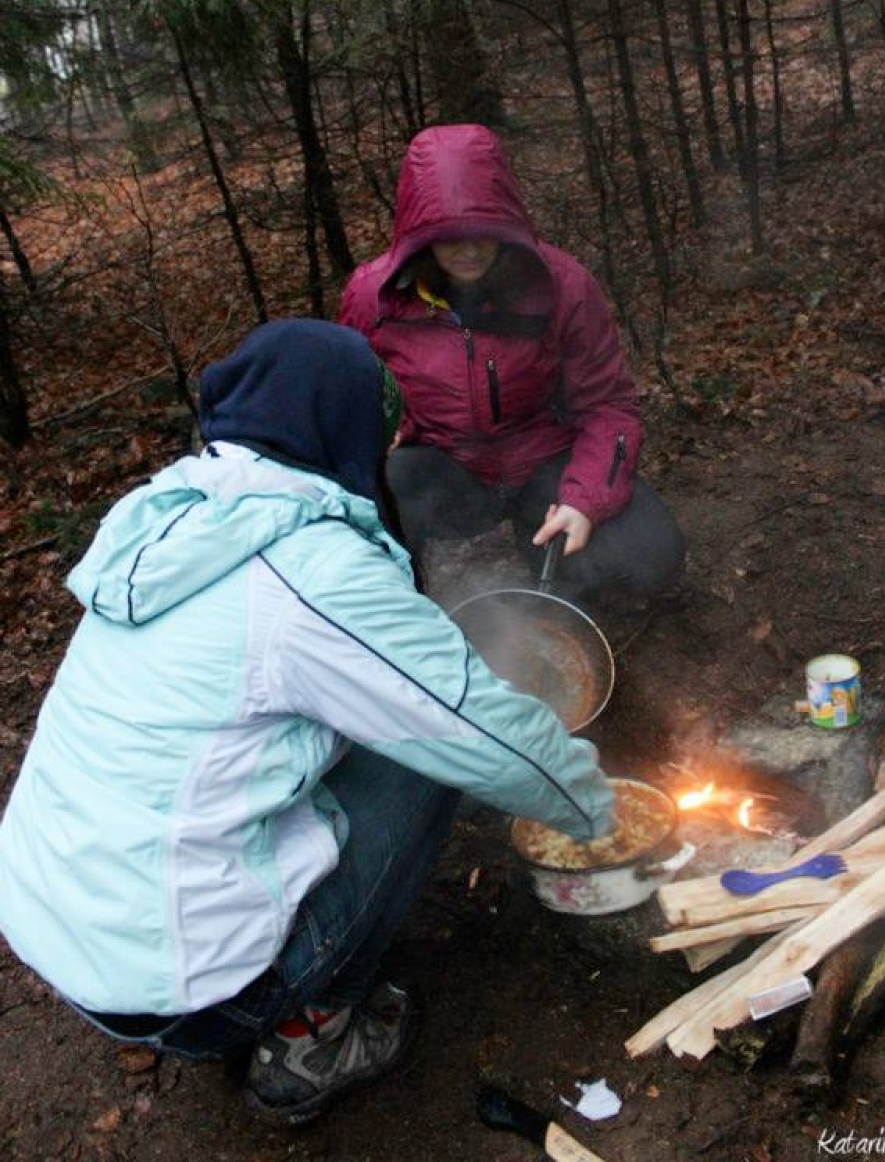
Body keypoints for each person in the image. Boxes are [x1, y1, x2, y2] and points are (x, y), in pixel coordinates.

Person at [0, 320, 614, 1128]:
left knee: (362, 723)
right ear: (341, 429)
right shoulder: (310, 570)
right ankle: (309, 1037)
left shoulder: (170, 523)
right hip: (179, 991)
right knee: (424, 761)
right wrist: (597, 810)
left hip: (55, 926)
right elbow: (476, 729)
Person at [338, 123, 686, 604]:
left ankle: (546, 554)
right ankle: (405, 605)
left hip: (542, 461)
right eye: (449, 237)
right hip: (444, 468)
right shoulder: (372, 298)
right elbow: (355, 403)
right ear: (420, 236)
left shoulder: (563, 285)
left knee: (651, 558)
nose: (470, 249)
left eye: (485, 232)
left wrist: (583, 500)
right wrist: (389, 427)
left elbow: (608, 406)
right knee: (380, 495)